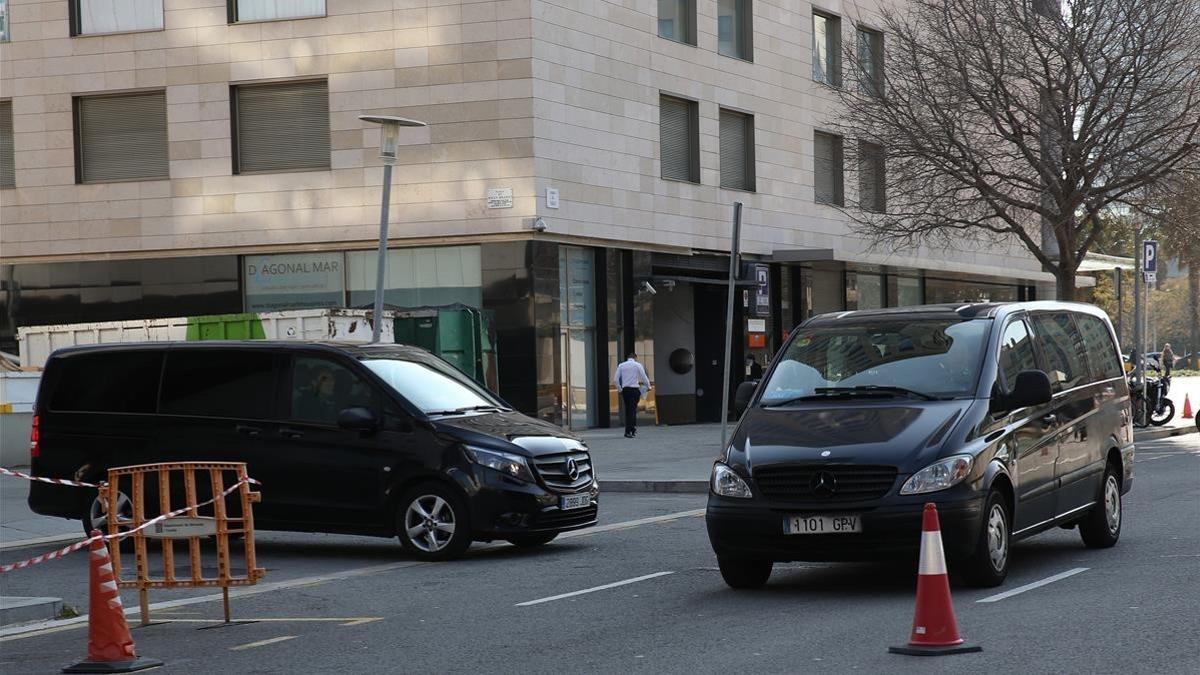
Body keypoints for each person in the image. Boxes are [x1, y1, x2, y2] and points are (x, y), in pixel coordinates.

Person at [613, 352, 650, 438]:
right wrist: (648, 386)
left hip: (625, 390)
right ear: (635, 357)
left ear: (627, 358)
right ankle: (629, 431)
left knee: (629, 410)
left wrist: (620, 390)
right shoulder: (637, 365)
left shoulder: (621, 365)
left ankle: (632, 429)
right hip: (634, 390)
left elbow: (615, 380)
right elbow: (644, 377)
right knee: (632, 410)